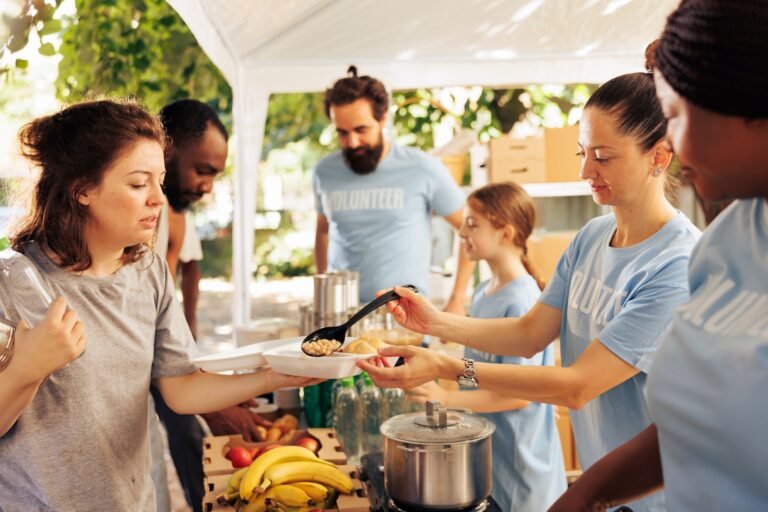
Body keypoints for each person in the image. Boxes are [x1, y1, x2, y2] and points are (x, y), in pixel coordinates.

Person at [359, 51, 702, 512]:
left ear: (659, 156)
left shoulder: (677, 264)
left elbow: (577, 385)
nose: (585, 172)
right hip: (605, 489)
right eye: (583, 154)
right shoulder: (593, 236)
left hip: (660, 499)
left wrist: (448, 371)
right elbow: (528, 333)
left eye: (602, 157)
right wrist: (435, 324)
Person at [0, 99, 319, 511]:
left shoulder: (147, 271)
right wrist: (29, 368)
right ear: (82, 189)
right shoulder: (14, 283)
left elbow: (181, 389)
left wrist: (278, 374)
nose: (157, 198)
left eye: (159, 181)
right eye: (138, 184)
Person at [550, 2, 768, 510]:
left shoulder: (680, 252)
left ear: (749, 108)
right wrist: (589, 494)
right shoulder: (729, 240)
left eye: (675, 116)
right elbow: (692, 425)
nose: (669, 144)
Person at [407, 182, 566, 511]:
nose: (461, 231)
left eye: (472, 224)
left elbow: (520, 395)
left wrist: (448, 399)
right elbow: (474, 372)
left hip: (523, 465)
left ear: (505, 233)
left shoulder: (522, 300)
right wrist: (444, 380)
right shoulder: (483, 292)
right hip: (492, 456)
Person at [151, 98, 272, 512]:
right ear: (166, 150)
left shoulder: (174, 214)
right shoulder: (143, 216)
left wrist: (207, 374)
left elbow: (183, 282)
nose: (207, 186)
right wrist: (209, 396)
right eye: (202, 170)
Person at [314, 66, 473, 311]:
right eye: (342, 133)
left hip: (405, 315)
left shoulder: (423, 168)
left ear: (383, 119)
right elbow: (323, 232)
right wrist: (323, 290)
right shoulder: (324, 172)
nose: (352, 142)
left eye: (361, 129)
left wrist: (457, 299)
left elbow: (470, 229)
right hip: (342, 318)